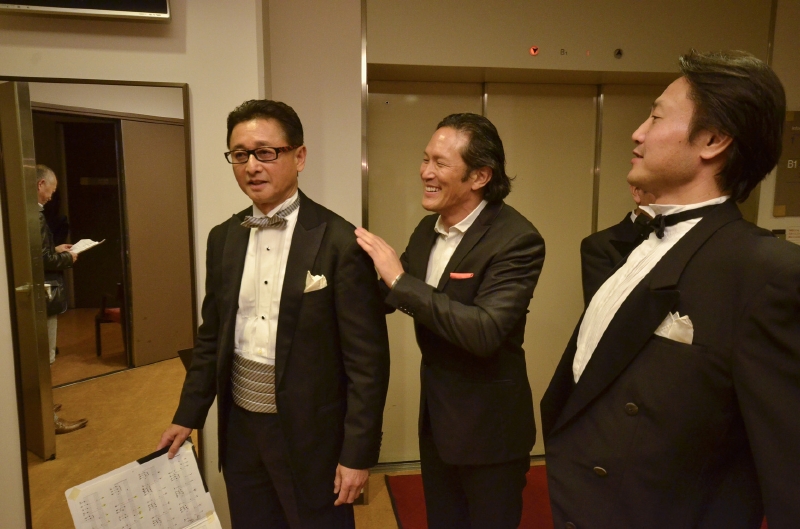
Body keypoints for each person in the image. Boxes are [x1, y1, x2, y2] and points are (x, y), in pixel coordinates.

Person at [541, 50, 800, 529]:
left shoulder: (767, 272)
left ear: (713, 140)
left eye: (656, 116)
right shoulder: (638, 245)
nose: (637, 133)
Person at [158, 100, 390, 528]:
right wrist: (187, 415)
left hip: (312, 434)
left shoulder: (340, 241)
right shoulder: (223, 238)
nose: (252, 166)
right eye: (240, 154)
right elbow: (212, 337)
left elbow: (367, 363)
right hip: (240, 430)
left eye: (265, 152)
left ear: (298, 157)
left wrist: (358, 454)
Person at [355, 113, 545, 528]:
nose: (425, 172)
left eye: (440, 163)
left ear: (479, 176)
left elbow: (484, 331)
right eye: (425, 159)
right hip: (438, 422)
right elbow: (387, 295)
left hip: (490, 432)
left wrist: (399, 280)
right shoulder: (428, 229)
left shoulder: (517, 239)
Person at [36, 164, 88, 434]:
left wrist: (55, 249)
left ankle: (43, 406)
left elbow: (38, 252)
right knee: (44, 360)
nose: (51, 196)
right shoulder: (34, 215)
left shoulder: (28, 214)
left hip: (36, 295)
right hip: (41, 295)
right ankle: (48, 418)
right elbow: (42, 261)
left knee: (41, 359)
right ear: (40, 185)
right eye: (51, 190)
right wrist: (67, 258)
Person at [579, 185, 654, 305]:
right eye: (663, 190)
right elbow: (601, 308)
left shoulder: (683, 238)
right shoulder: (599, 244)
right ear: (637, 192)